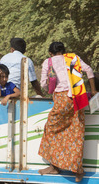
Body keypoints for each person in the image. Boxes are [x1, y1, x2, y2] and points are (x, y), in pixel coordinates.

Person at [38, 41, 97, 182]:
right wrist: (93, 90)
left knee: (51, 131)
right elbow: (89, 70)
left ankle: (55, 167)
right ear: (64, 51)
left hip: (61, 99)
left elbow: (43, 83)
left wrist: (47, 89)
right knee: (76, 133)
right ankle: (78, 171)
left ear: (50, 53)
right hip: (78, 98)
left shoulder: (49, 61)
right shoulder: (73, 58)